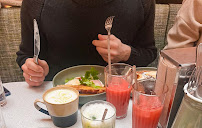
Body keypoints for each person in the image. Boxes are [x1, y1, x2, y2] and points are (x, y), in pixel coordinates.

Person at [16, 0, 157, 86]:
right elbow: (25, 55)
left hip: (117, 97)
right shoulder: (37, 3)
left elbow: (149, 53)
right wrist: (34, 70)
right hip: (58, 97)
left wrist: (126, 53)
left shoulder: (142, 3)